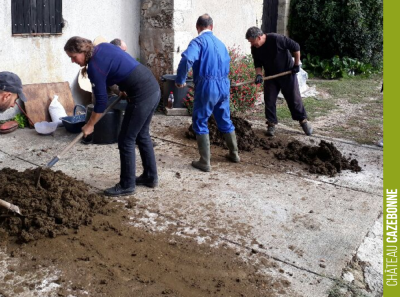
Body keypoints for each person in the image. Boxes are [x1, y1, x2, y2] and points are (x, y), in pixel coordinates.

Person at [64, 37, 160, 196]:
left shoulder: (94, 67)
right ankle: (150, 177)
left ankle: (127, 185)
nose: (73, 61)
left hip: (142, 95)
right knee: (142, 135)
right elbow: (119, 65)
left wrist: (90, 124)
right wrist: (123, 88)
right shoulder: (102, 47)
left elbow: (101, 102)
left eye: (73, 57)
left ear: (83, 51)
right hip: (152, 87)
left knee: (126, 139)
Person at [175, 14, 240, 172]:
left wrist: (180, 79)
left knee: (200, 120)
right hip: (223, 84)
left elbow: (187, 59)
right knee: (224, 118)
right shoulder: (221, 43)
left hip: (207, 86)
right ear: (211, 27)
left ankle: (205, 162)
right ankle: (234, 154)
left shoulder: (198, 41)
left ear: (198, 28)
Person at [245, 27, 312, 136]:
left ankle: (303, 121)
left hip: (287, 73)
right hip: (271, 76)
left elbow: (296, 47)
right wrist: (258, 74)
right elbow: (257, 63)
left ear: (258, 37)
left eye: (252, 41)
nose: (251, 44)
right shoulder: (255, 48)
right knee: (269, 99)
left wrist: (296, 65)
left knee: (293, 98)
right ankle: (271, 124)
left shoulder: (276, 39)